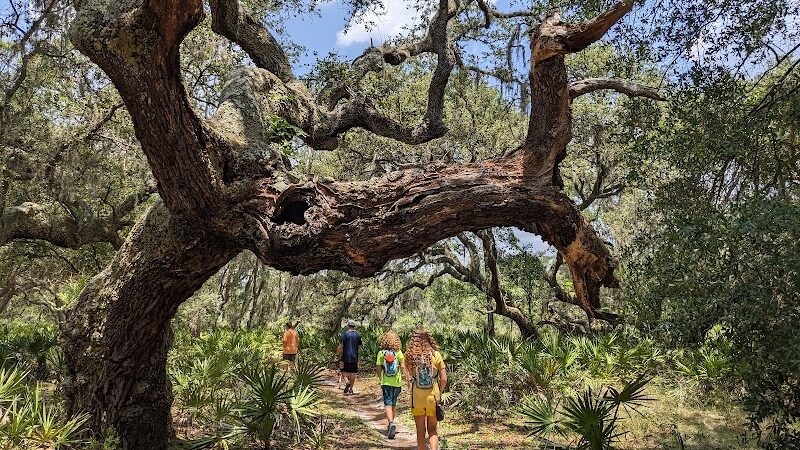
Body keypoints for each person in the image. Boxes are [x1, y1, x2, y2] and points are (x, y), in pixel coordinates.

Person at [405, 329, 447, 450]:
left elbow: (408, 377)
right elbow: (444, 378)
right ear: (429, 339)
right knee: (433, 430)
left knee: (420, 431)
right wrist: (439, 390)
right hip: (433, 397)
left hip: (417, 398)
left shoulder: (410, 356)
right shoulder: (436, 355)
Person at [376, 331, 405, 439]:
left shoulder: (381, 353)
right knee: (393, 403)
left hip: (386, 382)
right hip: (397, 383)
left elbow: (378, 368)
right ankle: (391, 423)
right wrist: (406, 378)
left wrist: (381, 377)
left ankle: (391, 422)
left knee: (387, 402)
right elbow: (403, 366)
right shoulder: (398, 352)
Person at [336, 319, 362, 394]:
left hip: (345, 356)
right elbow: (360, 346)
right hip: (354, 357)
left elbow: (341, 346)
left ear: (348, 326)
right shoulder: (358, 335)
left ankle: (347, 382)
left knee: (343, 371)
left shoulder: (344, 334)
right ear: (354, 326)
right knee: (353, 373)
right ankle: (351, 389)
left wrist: (337, 354)